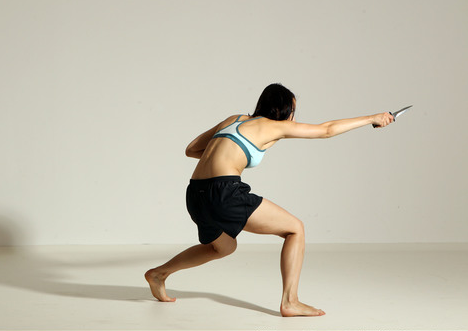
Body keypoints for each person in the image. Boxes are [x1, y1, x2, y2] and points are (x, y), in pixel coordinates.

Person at [145, 83, 394, 317]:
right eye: (293, 111)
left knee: (223, 247)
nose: (293, 118)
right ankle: (290, 301)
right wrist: (372, 118)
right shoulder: (274, 126)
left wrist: (225, 151)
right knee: (295, 229)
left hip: (195, 193)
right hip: (224, 192)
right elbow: (326, 130)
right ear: (283, 110)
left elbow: (191, 149)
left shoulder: (235, 119)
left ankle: (159, 274)